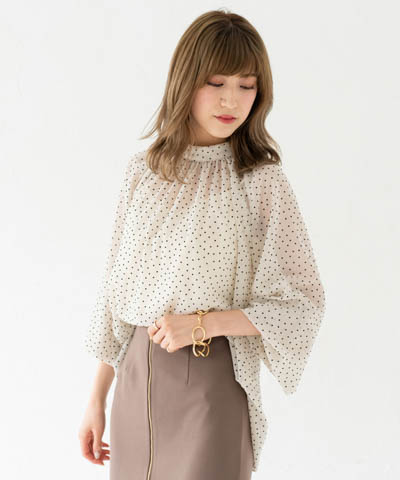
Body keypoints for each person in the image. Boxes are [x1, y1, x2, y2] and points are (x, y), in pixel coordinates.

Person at [78, 9, 326, 480]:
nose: (232, 99)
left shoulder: (260, 181)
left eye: (247, 85)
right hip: (134, 380)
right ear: (186, 81)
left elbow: (302, 303)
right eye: (216, 82)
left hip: (212, 380)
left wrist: (202, 324)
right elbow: (114, 292)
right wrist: (96, 397)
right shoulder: (142, 172)